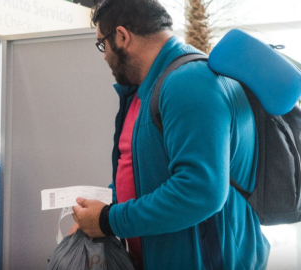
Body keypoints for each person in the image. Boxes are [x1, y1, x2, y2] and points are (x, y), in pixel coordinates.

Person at [71, 0, 270, 269]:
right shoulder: (148, 86)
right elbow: (141, 170)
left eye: (102, 44)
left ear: (122, 36)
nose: (104, 55)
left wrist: (108, 220)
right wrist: (98, 213)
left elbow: (200, 191)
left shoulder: (187, 83)